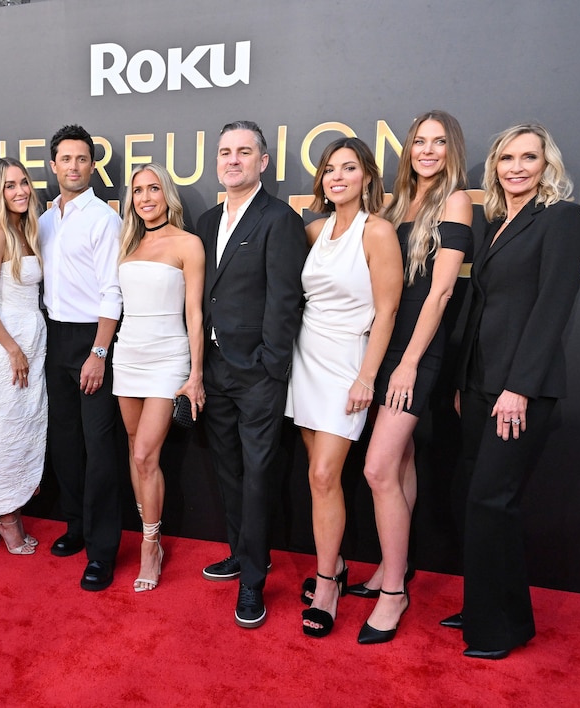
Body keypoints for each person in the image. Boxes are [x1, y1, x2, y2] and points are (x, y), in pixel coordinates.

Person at [446, 124, 580, 659]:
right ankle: (489, 606)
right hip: (481, 388)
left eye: (530, 157)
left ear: (547, 164)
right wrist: (465, 384)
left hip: (519, 390)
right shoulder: (499, 223)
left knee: (490, 500)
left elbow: (553, 309)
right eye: (507, 157)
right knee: (479, 502)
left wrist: (518, 389)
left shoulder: (563, 219)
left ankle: (495, 629)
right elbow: (483, 310)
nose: (517, 167)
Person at [347, 111, 474, 644]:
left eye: (438, 142)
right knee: (399, 461)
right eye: (419, 141)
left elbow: (441, 293)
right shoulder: (397, 203)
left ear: (452, 149)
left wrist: (408, 362)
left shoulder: (457, 201)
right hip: (386, 344)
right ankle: (390, 568)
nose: (427, 150)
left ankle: (395, 592)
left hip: (417, 353)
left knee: (377, 469)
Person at [286, 137, 403, 638]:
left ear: (367, 177)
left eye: (348, 168)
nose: (337, 177)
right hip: (306, 359)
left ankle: (327, 580)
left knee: (321, 473)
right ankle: (332, 568)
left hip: (347, 365)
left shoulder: (377, 233)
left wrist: (367, 377)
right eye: (330, 169)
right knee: (321, 479)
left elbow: (388, 311)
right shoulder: (315, 229)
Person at [198, 121, 308, 628]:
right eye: (225, 152)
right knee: (228, 471)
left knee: (259, 475)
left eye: (244, 152)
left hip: (258, 374)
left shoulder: (279, 219)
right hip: (215, 370)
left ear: (264, 162)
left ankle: (253, 583)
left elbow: (286, 299)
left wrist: (270, 363)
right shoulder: (206, 220)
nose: (233, 160)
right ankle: (243, 553)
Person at [113, 163, 205, 592]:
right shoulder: (126, 242)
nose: (146, 197)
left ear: (168, 193)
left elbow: (195, 313)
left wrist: (196, 374)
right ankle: (149, 526)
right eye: (138, 191)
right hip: (127, 354)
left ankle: (151, 544)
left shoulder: (188, 244)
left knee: (145, 455)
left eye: (153, 189)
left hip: (169, 358)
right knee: (135, 450)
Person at [38, 124, 123, 591]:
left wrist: (98, 352)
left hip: (94, 341)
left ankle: (103, 551)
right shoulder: (46, 219)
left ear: (92, 166)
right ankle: (76, 527)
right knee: (66, 442)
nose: (73, 167)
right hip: (55, 338)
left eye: (82, 159)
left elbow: (114, 291)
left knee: (100, 448)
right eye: (65, 159)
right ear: (53, 166)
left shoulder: (105, 220)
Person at [0, 157, 46, 555]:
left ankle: (13, 508)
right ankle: (4, 516)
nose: (19, 191)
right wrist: (13, 349)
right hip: (5, 347)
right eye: (9, 186)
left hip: (32, 342)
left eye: (23, 183)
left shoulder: (28, 228)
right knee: (3, 433)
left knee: (26, 428)